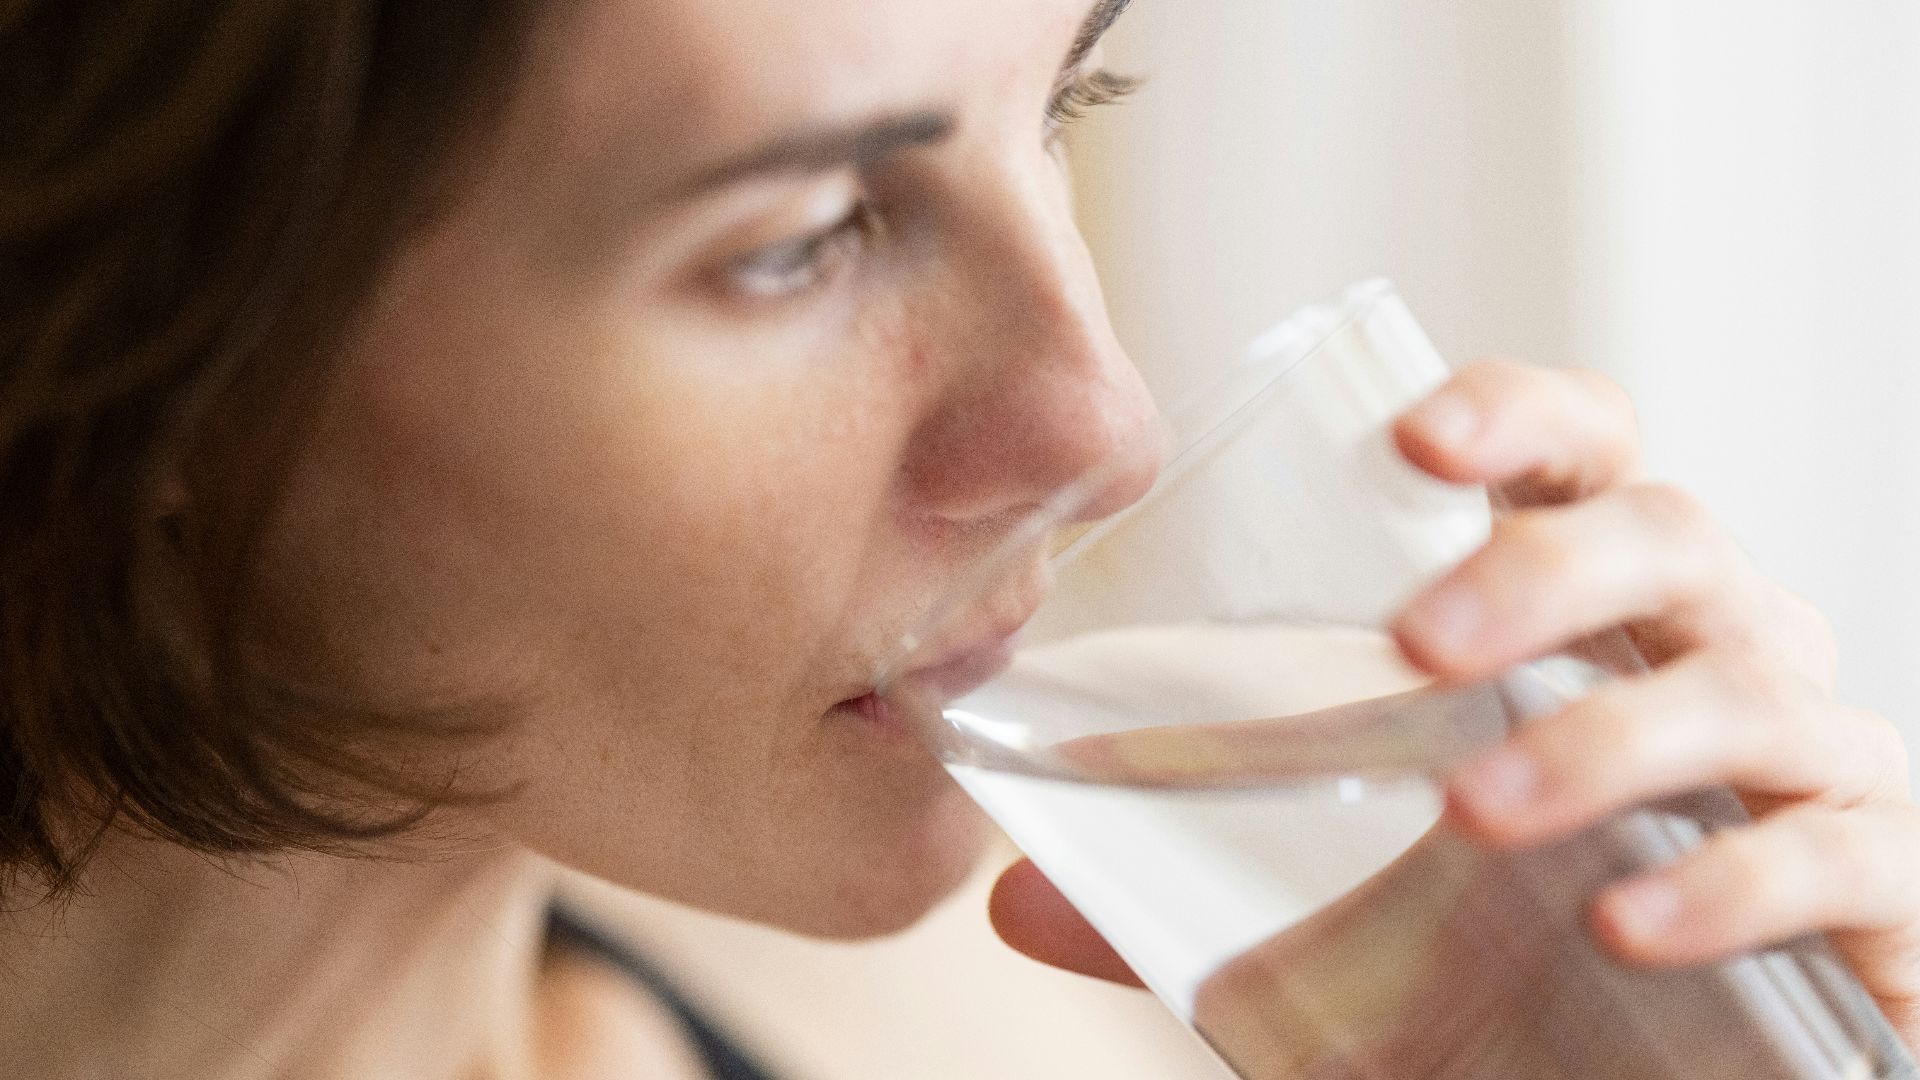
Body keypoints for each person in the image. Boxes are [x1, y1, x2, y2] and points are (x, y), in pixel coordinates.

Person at [3, 2, 1917, 1077]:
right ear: (138, 329)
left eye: (1068, 97)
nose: (1104, 422)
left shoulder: (1034, 1039)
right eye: (802, 234)